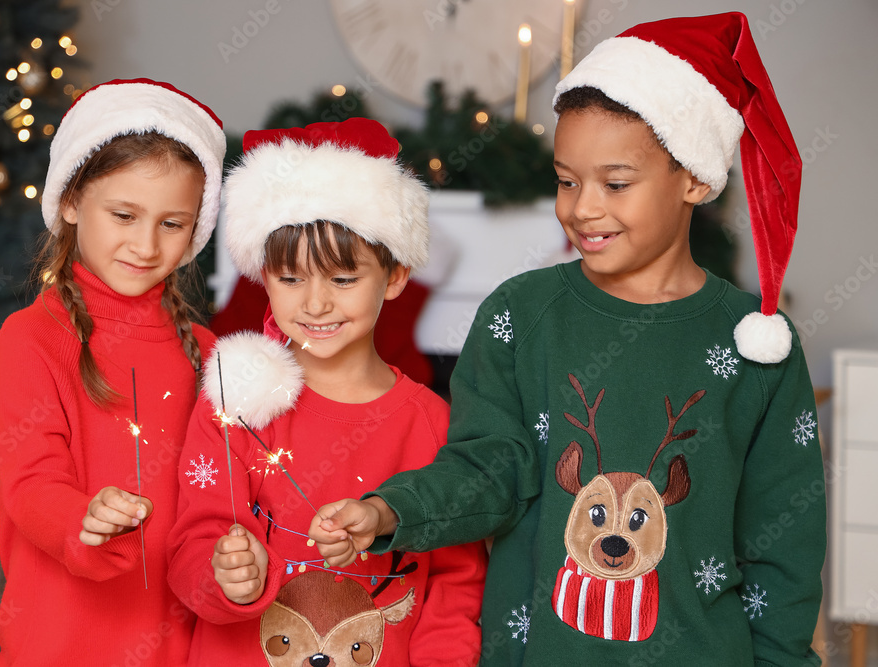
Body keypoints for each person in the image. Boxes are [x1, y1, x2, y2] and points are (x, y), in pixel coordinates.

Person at [310, 13, 826, 666]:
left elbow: (783, 547)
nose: (582, 208)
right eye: (566, 179)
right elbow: (485, 467)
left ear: (694, 178)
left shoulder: (758, 348)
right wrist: (391, 511)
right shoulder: (521, 316)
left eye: (615, 183)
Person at [167, 117, 487, 666]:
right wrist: (224, 577)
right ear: (263, 276)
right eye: (291, 279)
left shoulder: (433, 424)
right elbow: (192, 551)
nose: (314, 304)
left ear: (394, 276)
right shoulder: (235, 404)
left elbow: (456, 583)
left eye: (342, 280)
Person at [0, 78, 227, 665]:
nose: (145, 245)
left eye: (172, 224)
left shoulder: (211, 352)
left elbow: (225, 499)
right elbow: (30, 484)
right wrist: (82, 518)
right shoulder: (32, 339)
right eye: (124, 214)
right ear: (71, 200)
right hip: (59, 644)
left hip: (183, 645)